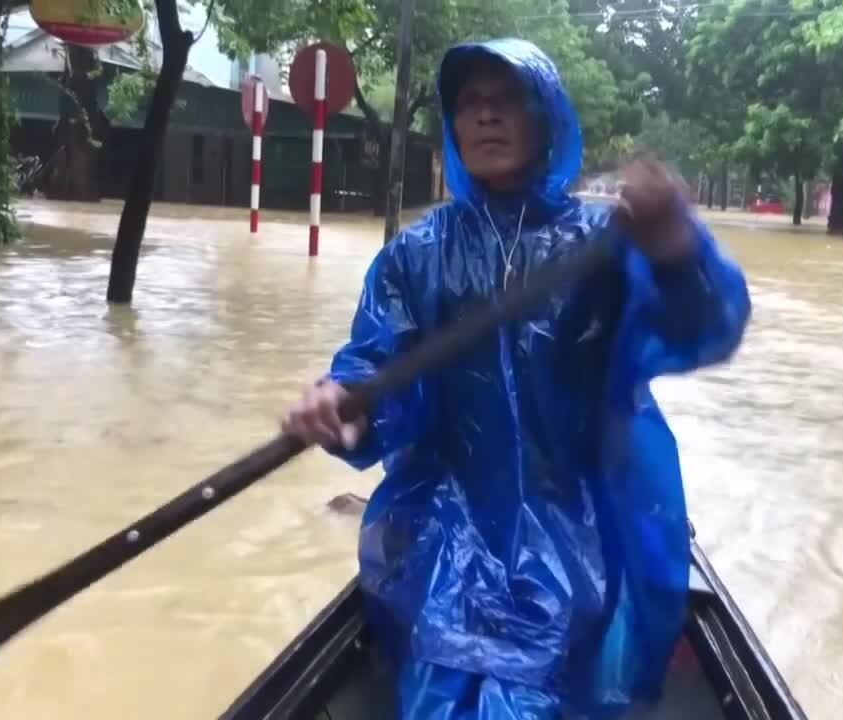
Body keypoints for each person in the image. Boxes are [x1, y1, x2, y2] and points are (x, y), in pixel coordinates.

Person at [281, 39, 751, 719]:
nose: (486, 117)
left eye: (506, 101)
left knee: (529, 695)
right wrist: (340, 409)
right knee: (440, 693)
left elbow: (703, 327)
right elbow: (377, 379)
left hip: (577, 535)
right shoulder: (415, 255)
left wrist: (679, 249)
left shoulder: (605, 244)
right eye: (470, 103)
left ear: (546, 117)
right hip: (444, 534)